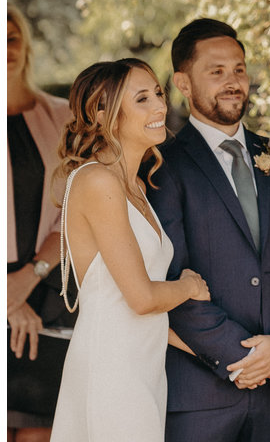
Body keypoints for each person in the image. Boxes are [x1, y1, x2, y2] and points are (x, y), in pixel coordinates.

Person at [146, 18, 270, 441]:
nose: (233, 82)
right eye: (217, 72)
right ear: (183, 83)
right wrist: (243, 359)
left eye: (239, 69)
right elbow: (172, 277)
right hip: (201, 390)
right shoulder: (160, 167)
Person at [49, 60, 211, 442]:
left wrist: (213, 354)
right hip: (112, 372)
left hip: (141, 368)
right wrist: (188, 286)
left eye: (158, 93)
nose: (160, 106)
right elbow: (140, 298)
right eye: (142, 99)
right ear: (102, 113)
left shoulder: (135, 186)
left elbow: (134, 305)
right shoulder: (97, 181)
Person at [7, 4, 75, 442]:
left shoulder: (65, 117)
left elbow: (77, 213)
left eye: (11, 37)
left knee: (39, 430)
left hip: (47, 296)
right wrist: (9, 300)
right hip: (12, 301)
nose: (4, 48)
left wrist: (27, 281)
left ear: (26, 46)